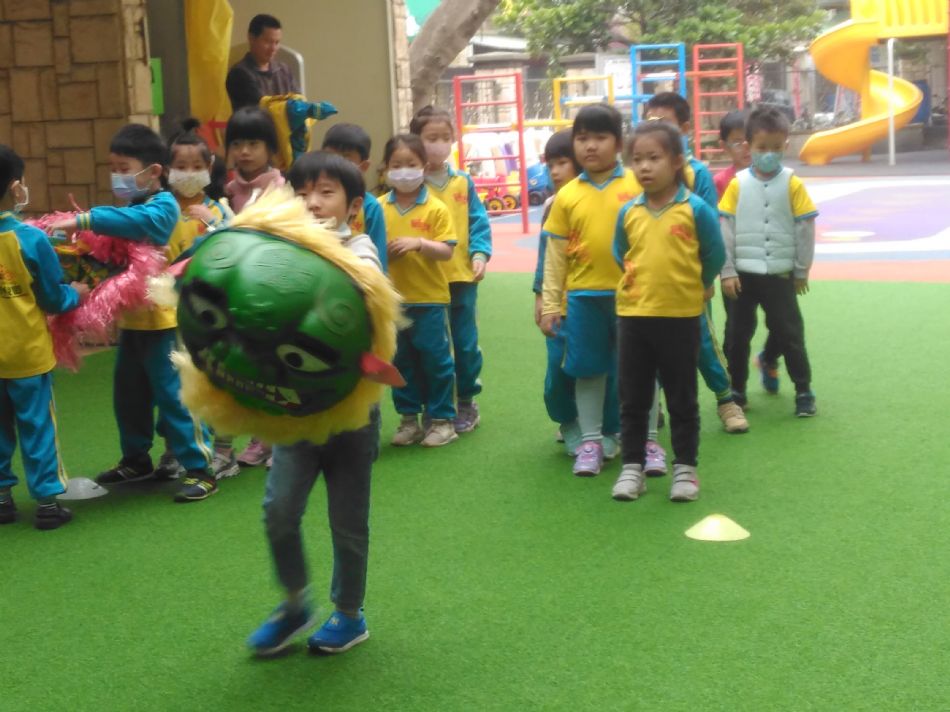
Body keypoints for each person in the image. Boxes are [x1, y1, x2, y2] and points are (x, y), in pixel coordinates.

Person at [247, 151, 381, 656]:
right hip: (296, 408)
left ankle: (349, 613)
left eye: (326, 192)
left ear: (354, 206)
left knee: (348, 522)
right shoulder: (278, 247)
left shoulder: (360, 247)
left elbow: (363, 287)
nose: (312, 202)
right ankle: (293, 603)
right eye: (301, 193)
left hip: (351, 411)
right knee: (278, 510)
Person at [47, 125, 215, 502]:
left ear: (153, 172)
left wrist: (85, 220)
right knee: (129, 395)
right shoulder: (127, 208)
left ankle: (199, 467)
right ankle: (135, 459)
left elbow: (141, 225)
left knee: (174, 395)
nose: (117, 176)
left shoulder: (163, 206)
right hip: (134, 321)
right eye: (113, 168)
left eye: (123, 168)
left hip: (164, 321)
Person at [610, 121, 725, 503]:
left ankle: (686, 468)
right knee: (633, 397)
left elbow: (714, 255)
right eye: (637, 160)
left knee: (681, 397)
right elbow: (620, 253)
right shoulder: (629, 212)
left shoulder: (695, 210)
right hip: (634, 317)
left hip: (680, 318)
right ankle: (633, 467)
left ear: (677, 162)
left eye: (654, 158)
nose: (644, 167)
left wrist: (694, 284)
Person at [539, 104, 642, 477]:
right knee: (587, 370)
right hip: (582, 298)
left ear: (619, 143)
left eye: (601, 137)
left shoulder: (637, 186)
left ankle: (623, 433)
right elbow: (554, 256)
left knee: (629, 370)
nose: (591, 146)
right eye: (583, 138)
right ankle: (590, 440)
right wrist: (550, 303)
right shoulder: (567, 196)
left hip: (633, 298)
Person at [644, 93, 749, 434]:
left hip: (688, 279)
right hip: (649, 282)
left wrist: (706, 277)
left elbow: (710, 231)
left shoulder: (697, 173)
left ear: (685, 128)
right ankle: (655, 405)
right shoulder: (640, 173)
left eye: (664, 122)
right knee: (650, 344)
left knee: (701, 343)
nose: (656, 129)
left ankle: (726, 400)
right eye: (650, 122)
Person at [0, 145, 87, 529]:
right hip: (28, 354)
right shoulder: (30, 240)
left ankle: (2, 499)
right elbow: (52, 297)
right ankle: (47, 503)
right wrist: (77, 293)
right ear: (15, 187)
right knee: (37, 425)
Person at [719, 107, 819, 418]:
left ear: (786, 145)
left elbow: (805, 226)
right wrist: (727, 270)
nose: (769, 154)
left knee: (790, 333)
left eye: (776, 147)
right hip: (741, 276)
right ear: (748, 146)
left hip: (779, 274)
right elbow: (725, 227)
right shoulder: (737, 184)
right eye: (762, 147)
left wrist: (801, 268)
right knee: (737, 336)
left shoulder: (792, 183)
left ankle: (803, 390)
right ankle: (737, 389)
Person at [150, 120, 230, 481]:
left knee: (211, 378)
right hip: (167, 314)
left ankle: (219, 449)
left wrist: (213, 223)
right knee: (173, 383)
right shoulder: (160, 211)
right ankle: (175, 448)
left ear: (209, 167)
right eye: (181, 166)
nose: (189, 173)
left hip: (209, 314)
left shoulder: (219, 210)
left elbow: (234, 246)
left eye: (197, 166)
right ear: (167, 171)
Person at [409, 106, 492, 434]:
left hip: (461, 277)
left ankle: (467, 400)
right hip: (423, 280)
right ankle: (437, 405)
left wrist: (480, 253)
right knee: (432, 346)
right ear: (416, 140)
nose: (439, 144)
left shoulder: (462, 182)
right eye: (431, 138)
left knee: (465, 343)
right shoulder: (411, 185)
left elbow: (477, 221)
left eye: (445, 137)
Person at [216, 107, 286, 473]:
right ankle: (251, 438)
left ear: (271, 148)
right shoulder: (227, 191)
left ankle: (273, 438)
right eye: (237, 144)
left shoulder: (279, 189)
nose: (244, 152)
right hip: (234, 291)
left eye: (254, 144)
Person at [380, 134, 458, 448]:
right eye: (396, 164)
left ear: (424, 167)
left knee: (436, 361)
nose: (404, 171)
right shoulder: (378, 208)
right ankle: (409, 419)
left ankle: (442, 420)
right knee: (401, 363)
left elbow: (447, 251)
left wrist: (419, 243)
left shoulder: (436, 208)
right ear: (385, 168)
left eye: (411, 164)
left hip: (430, 299)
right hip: (393, 301)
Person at [715, 110, 781, 393]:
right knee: (738, 329)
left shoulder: (778, 178)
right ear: (724, 146)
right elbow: (719, 226)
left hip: (772, 264)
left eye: (748, 140)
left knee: (783, 323)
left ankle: (769, 357)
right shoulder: (722, 182)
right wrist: (724, 269)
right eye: (736, 142)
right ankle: (734, 385)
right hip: (737, 267)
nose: (744, 148)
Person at [321, 123, 388, 270]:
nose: (335, 165)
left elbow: (379, 258)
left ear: (363, 166)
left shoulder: (370, 206)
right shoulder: (315, 200)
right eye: (330, 156)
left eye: (345, 159)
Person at [226, 13, 300, 112]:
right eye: (268, 42)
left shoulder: (284, 71)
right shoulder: (239, 74)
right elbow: (262, 110)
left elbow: (299, 104)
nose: (273, 48)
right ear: (251, 38)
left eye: (277, 42)